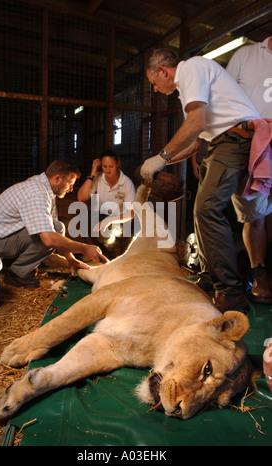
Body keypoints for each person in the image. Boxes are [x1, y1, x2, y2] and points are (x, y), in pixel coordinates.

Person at [140, 48, 266, 313]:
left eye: (154, 82)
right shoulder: (189, 86)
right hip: (219, 141)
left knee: (207, 209)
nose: (155, 89)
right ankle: (211, 278)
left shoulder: (192, 68)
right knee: (202, 213)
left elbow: (196, 124)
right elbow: (196, 140)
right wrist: (161, 160)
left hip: (234, 140)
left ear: (163, 71)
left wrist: (161, 157)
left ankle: (231, 292)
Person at [0, 159, 108, 288]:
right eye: (70, 184)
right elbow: (49, 238)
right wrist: (85, 248)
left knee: (58, 227)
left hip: (7, 235)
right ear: (57, 179)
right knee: (52, 234)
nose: (71, 189)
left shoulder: (46, 189)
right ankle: (16, 273)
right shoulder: (37, 192)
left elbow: (53, 230)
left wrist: (71, 259)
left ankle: (17, 263)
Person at [226, 37, 272, 304]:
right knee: (255, 213)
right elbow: (224, 101)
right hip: (252, 146)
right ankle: (258, 272)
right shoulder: (246, 56)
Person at [77, 150, 136, 256]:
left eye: (111, 166)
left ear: (118, 163)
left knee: (105, 233)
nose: (107, 170)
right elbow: (81, 197)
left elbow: (131, 214)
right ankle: (94, 254)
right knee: (83, 216)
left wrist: (109, 220)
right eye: (104, 166)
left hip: (120, 220)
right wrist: (92, 174)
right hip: (100, 216)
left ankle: (111, 253)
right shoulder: (98, 178)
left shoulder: (127, 183)